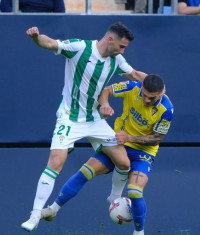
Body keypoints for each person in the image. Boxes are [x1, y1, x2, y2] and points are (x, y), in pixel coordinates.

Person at [21, 22, 146, 232]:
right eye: (122, 46)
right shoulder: (80, 48)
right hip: (70, 118)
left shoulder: (117, 60)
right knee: (56, 163)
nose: (123, 51)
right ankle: (35, 214)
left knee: (124, 163)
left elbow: (134, 74)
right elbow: (50, 43)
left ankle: (114, 197)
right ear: (110, 39)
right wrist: (36, 37)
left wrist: (156, 85)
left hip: (95, 119)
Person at [40, 75, 173, 235]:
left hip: (143, 153)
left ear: (162, 93)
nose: (145, 100)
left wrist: (130, 137)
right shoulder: (133, 86)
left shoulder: (167, 109)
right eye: (144, 95)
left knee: (134, 191)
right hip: (118, 143)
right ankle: (53, 209)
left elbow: (157, 138)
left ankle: (139, 232)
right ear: (142, 86)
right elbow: (106, 90)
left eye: (151, 98)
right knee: (85, 171)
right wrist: (105, 104)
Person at [0, 0, 65, 12]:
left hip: (48, 26)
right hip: (25, 27)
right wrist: (16, 20)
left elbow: (60, 12)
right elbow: (5, 5)